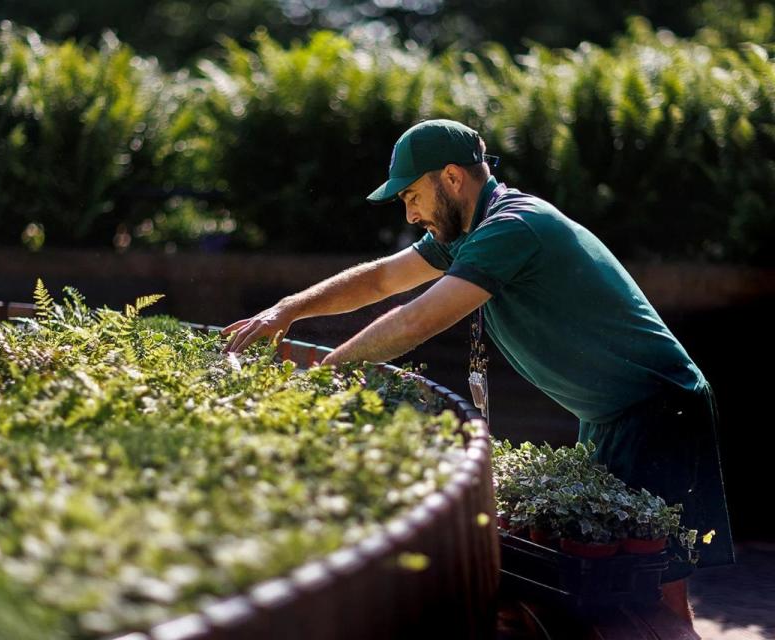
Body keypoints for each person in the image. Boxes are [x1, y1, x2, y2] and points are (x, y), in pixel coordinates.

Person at [222, 119, 735, 625]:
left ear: (451, 177)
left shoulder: (512, 227)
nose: (411, 212)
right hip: (611, 414)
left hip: (659, 410)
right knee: (621, 604)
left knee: (657, 602)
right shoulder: (464, 232)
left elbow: (417, 319)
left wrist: (321, 381)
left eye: (411, 196)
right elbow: (380, 280)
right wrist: (287, 309)